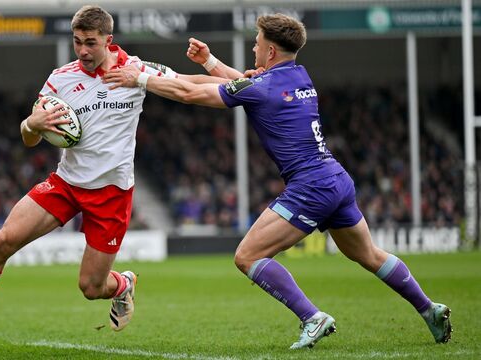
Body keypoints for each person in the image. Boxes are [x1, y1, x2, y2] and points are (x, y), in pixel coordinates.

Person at [103, 13, 452, 350]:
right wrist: (209, 62)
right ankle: (429, 308)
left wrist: (141, 80)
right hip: (336, 179)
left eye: (257, 44)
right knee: (370, 255)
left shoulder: (264, 85)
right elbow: (244, 84)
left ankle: (311, 317)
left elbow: (191, 95)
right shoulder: (298, 76)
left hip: (310, 185)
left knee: (247, 256)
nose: (254, 49)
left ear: (270, 51)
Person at [0, 5, 206, 349]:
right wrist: (30, 124)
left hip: (111, 195)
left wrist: (241, 79)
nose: (82, 50)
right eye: (77, 41)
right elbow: (30, 135)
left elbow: (191, 84)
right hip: (65, 184)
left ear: (108, 41)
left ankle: (122, 285)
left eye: (91, 43)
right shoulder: (60, 78)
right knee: (2, 242)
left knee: (91, 288)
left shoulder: (137, 70)